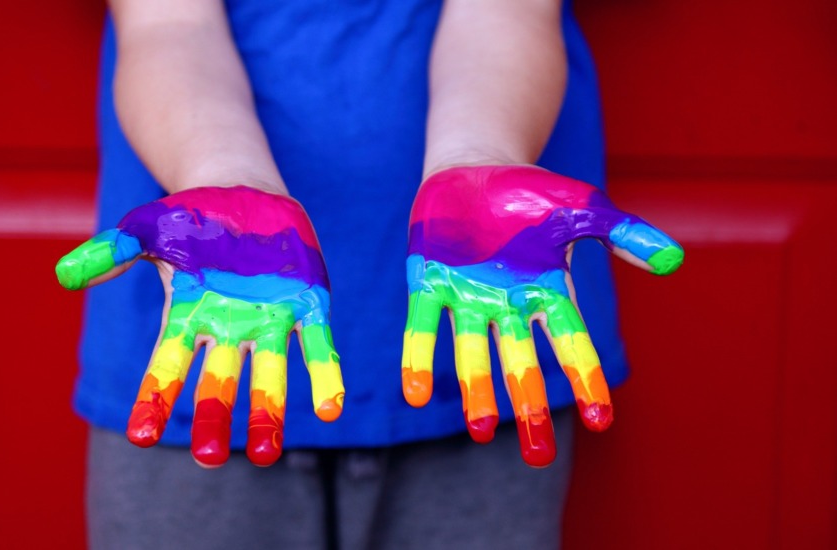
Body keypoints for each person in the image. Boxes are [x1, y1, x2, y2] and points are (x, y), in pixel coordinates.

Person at [56, 1, 682, 548]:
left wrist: (477, 162)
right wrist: (224, 181)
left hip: (489, 322)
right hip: (204, 335)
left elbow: (508, 9)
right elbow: (168, 22)